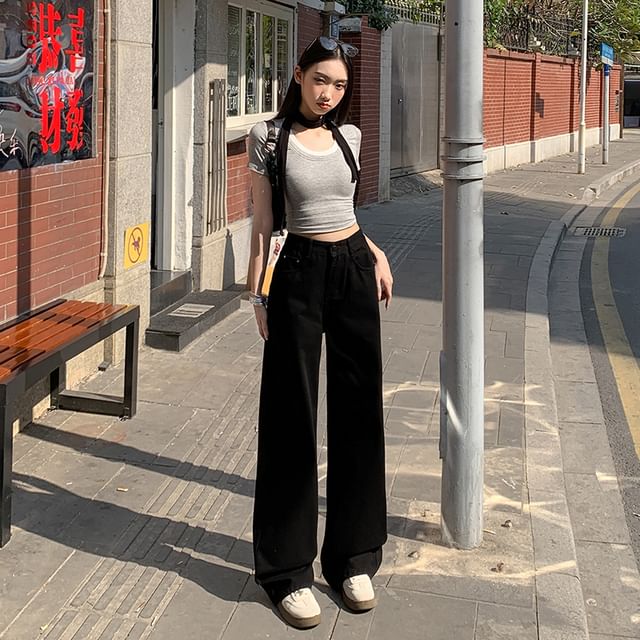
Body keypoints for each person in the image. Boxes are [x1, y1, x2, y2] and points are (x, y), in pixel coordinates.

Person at [246, 36, 393, 630]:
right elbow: (263, 223)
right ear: (299, 75)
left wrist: (375, 252)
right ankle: (286, 571)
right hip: (297, 273)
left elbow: (345, 211)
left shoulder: (349, 136)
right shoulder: (268, 136)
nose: (329, 93)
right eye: (320, 80)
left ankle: (353, 558)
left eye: (339, 85)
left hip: (353, 266)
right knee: (291, 414)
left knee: (360, 410)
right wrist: (257, 294)